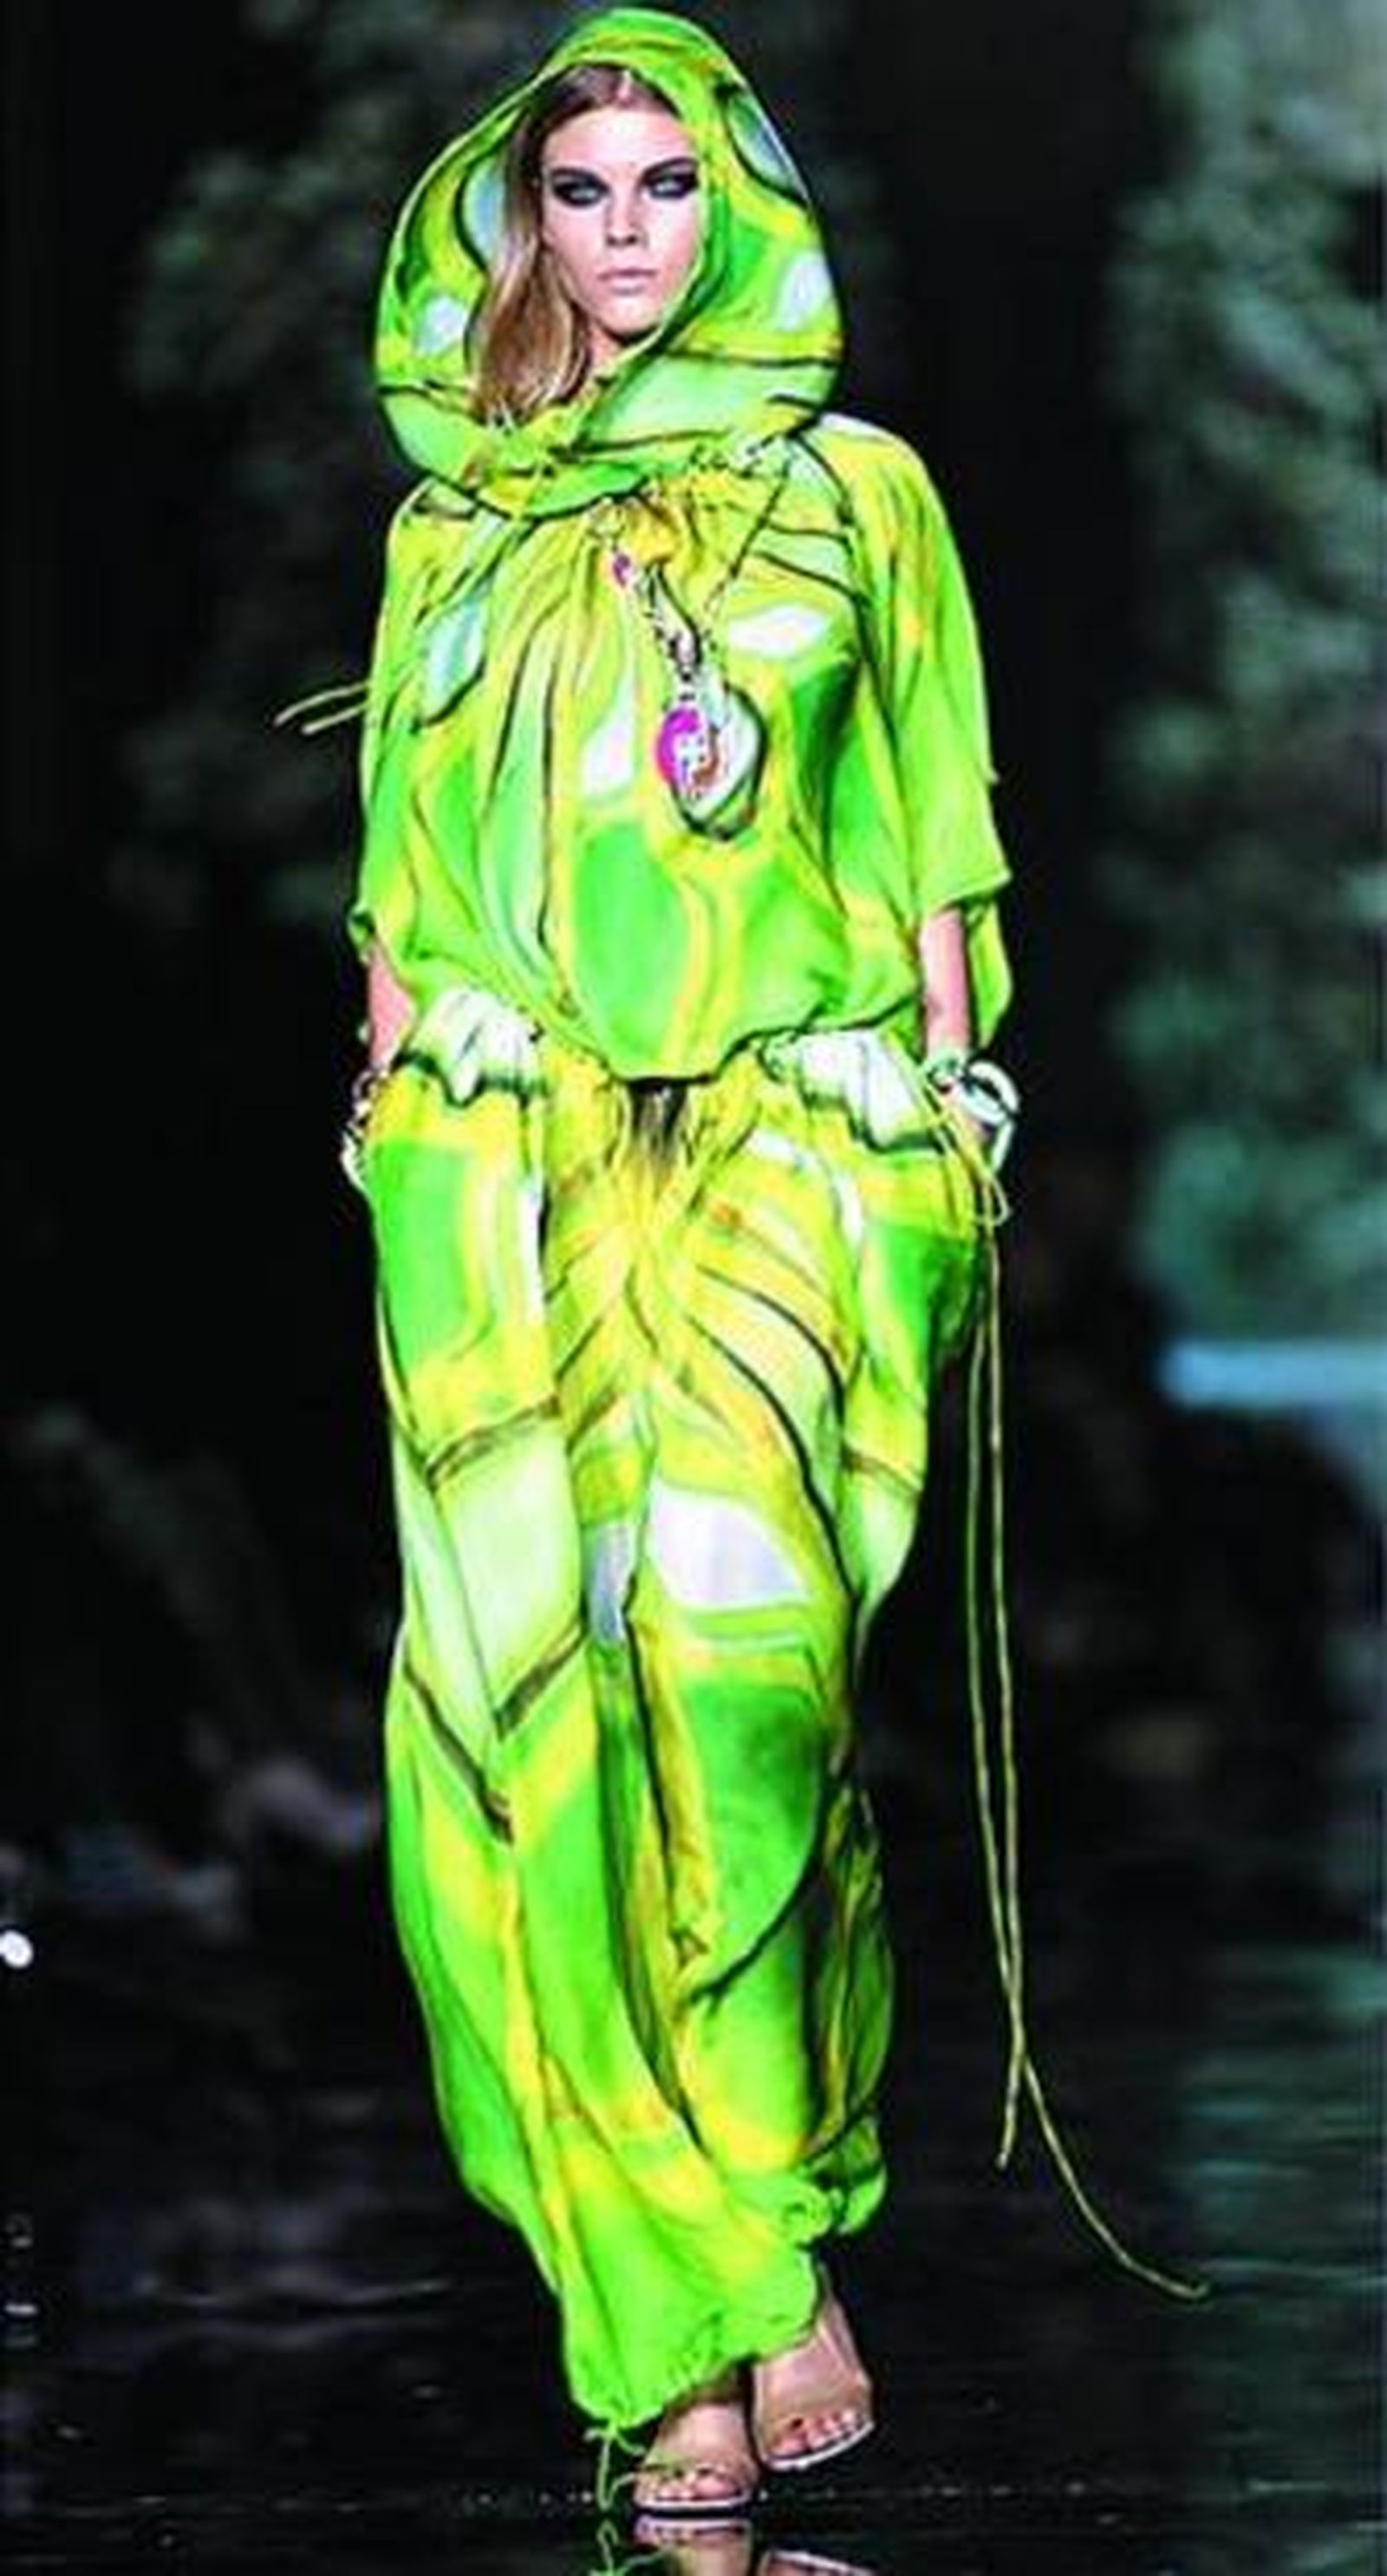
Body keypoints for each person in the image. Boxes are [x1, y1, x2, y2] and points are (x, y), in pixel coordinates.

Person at [339, 3, 1021, 2521]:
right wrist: (390, 1115)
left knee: (746, 1702)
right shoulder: (453, 523)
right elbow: (404, 885)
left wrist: (952, 1115)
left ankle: (759, 2200)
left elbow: (936, 828)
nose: (624, 232)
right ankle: (701, 2306)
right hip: (502, 1153)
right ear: (515, 225)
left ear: (740, 207)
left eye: (666, 185)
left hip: (797, 1145)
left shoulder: (864, 498)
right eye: (580, 190)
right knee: (524, 1732)